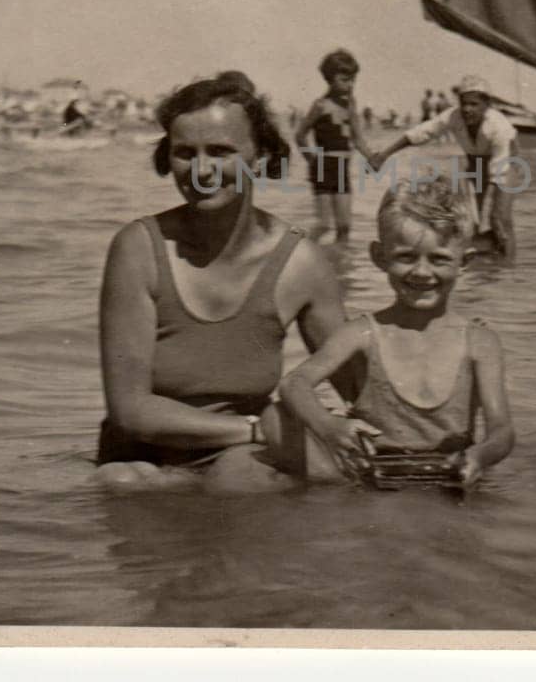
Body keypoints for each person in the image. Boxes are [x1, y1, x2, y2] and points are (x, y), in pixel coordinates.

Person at [93, 71, 353, 493]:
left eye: (220, 152)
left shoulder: (301, 264)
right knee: (120, 483)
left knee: (243, 484)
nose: (201, 170)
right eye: (184, 153)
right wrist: (255, 430)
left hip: (239, 463)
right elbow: (130, 408)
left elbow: (359, 386)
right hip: (143, 457)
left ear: (262, 156)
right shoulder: (138, 249)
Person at [274, 179, 514, 488]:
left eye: (439, 258)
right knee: (275, 420)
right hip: (376, 481)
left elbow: (502, 430)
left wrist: (481, 456)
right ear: (379, 257)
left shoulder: (481, 342)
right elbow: (294, 383)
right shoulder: (361, 333)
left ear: (464, 263)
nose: (422, 272)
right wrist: (329, 427)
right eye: (406, 257)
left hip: (453, 478)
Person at [370, 75, 518, 264]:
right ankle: (476, 266)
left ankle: (509, 267)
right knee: (470, 222)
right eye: (464, 103)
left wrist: (495, 203)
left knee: (500, 218)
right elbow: (421, 133)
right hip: (476, 162)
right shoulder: (452, 116)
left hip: (507, 162)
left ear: (486, 104)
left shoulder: (499, 127)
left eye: (474, 104)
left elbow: (499, 169)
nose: (467, 109)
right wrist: (384, 154)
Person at [294, 49, 374, 242]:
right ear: (330, 78)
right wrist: (312, 160)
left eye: (353, 80)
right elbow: (300, 135)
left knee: (344, 227)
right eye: (344, 80)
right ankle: (296, 250)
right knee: (323, 225)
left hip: (341, 169)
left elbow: (357, 138)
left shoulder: (350, 105)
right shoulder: (320, 105)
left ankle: (340, 267)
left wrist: (372, 157)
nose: (350, 85)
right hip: (323, 166)